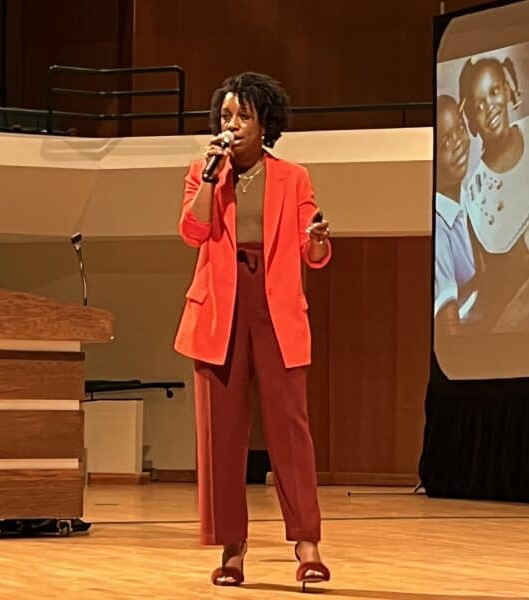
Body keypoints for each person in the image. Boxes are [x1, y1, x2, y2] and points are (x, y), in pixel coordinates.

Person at [173, 72, 332, 590]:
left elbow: (317, 251)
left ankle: (306, 544)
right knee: (220, 434)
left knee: (290, 428)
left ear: (266, 123)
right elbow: (193, 232)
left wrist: (314, 241)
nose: (233, 125)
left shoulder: (294, 177)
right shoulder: (204, 170)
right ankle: (231, 548)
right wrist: (213, 177)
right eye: (226, 116)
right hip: (219, 307)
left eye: (243, 116)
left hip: (275, 303)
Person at [458, 56, 529, 331]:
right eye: (479, 105)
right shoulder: (475, 196)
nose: (490, 107)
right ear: (472, 121)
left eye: (494, 92)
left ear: (507, 90)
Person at [434, 94, 481, 335]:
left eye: (460, 128)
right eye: (445, 143)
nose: (459, 142)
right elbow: (449, 325)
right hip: (471, 332)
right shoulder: (439, 231)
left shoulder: (470, 193)